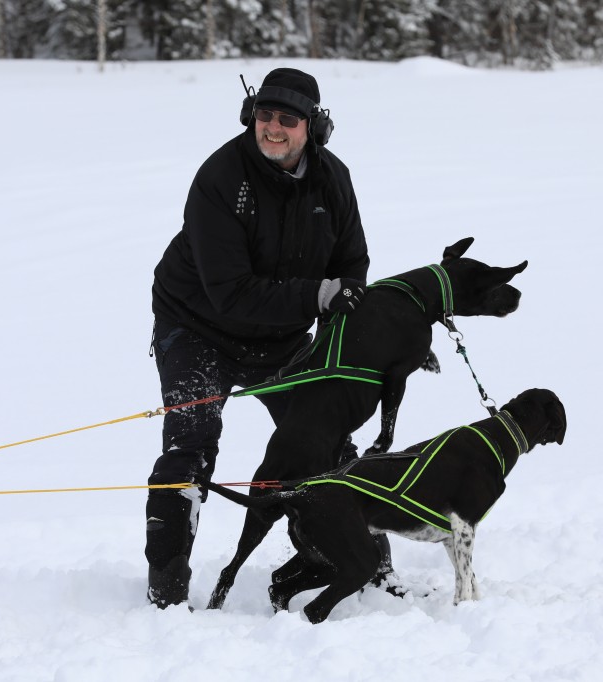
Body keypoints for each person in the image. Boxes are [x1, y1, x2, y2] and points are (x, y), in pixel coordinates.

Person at [146, 68, 370, 608]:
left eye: (287, 119)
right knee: (190, 446)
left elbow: (352, 267)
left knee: (328, 445)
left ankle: (363, 562)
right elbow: (230, 292)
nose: (272, 128)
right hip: (196, 325)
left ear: (312, 127)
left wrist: (340, 326)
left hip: (282, 338)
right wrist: (320, 296)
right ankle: (167, 588)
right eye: (264, 115)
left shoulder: (333, 180)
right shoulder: (221, 178)